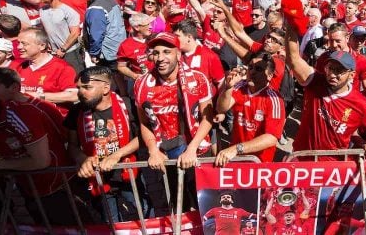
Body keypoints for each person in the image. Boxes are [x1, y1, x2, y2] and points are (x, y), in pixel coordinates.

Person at [285, 27, 366, 200]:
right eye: (330, 68)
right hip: (300, 164)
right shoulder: (316, 83)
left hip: (331, 173)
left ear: (352, 75)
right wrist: (292, 22)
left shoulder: (361, 104)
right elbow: (293, 59)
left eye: (340, 71)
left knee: (322, 217)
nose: (333, 75)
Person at [0, 78, 79, 225]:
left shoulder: (20, 115)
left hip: (62, 186)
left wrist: (4, 164)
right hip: (31, 189)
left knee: (75, 227)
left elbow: (41, 160)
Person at [134, 32, 213, 215]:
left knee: (206, 204)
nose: (160, 58)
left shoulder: (198, 79)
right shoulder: (142, 84)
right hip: (167, 155)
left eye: (166, 52)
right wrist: (153, 150)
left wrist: (192, 149)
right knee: (179, 205)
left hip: (198, 151)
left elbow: (207, 119)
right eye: (156, 52)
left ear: (178, 54)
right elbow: (144, 123)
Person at [64, 66, 141, 222]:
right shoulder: (76, 111)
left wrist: (116, 155)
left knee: (143, 211)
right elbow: (71, 145)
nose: (80, 92)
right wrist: (82, 158)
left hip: (127, 170)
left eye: (87, 87)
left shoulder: (127, 104)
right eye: (78, 88)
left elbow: (143, 137)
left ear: (106, 88)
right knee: (110, 220)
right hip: (97, 177)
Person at [214, 51, 285, 165]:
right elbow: (221, 109)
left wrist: (237, 148)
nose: (252, 72)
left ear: (270, 76)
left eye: (259, 69)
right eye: (250, 67)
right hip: (235, 157)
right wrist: (228, 88)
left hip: (259, 162)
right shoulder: (239, 86)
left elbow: (271, 138)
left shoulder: (275, 99)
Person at [14, 27, 78, 106]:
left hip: (55, 116)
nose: (19, 47)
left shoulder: (62, 67)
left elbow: (74, 95)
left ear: (42, 46)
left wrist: (38, 96)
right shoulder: (20, 67)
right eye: (18, 43)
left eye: (24, 43)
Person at [38, 0, 85, 74]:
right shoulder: (42, 10)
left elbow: (75, 33)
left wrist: (63, 49)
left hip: (70, 52)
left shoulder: (68, 12)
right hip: (53, 53)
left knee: (76, 76)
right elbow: (45, 29)